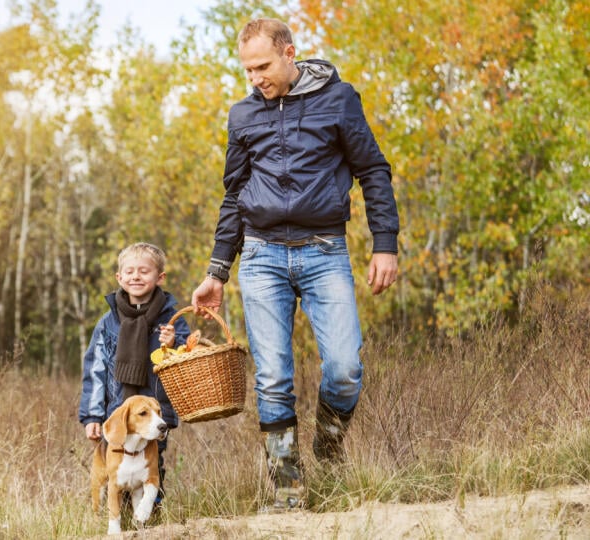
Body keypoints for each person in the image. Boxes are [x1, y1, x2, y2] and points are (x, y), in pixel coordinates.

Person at [191, 18, 400, 510]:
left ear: (289, 54)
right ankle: (289, 494)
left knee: (346, 368)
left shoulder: (339, 99)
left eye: (262, 66)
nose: (255, 78)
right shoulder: (242, 114)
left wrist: (385, 243)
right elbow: (234, 196)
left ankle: (329, 445)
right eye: (247, 69)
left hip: (324, 251)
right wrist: (217, 271)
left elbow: (373, 170)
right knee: (272, 378)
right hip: (261, 257)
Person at [79, 242, 190, 507]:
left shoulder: (171, 320)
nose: (136, 276)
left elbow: (188, 358)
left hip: (154, 412)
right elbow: (95, 369)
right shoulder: (108, 322)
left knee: (151, 462)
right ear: (119, 277)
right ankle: (119, 513)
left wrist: (175, 342)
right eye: (129, 271)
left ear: (160, 277)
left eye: (144, 271)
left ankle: (150, 514)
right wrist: (93, 415)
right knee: (116, 462)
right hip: (118, 412)